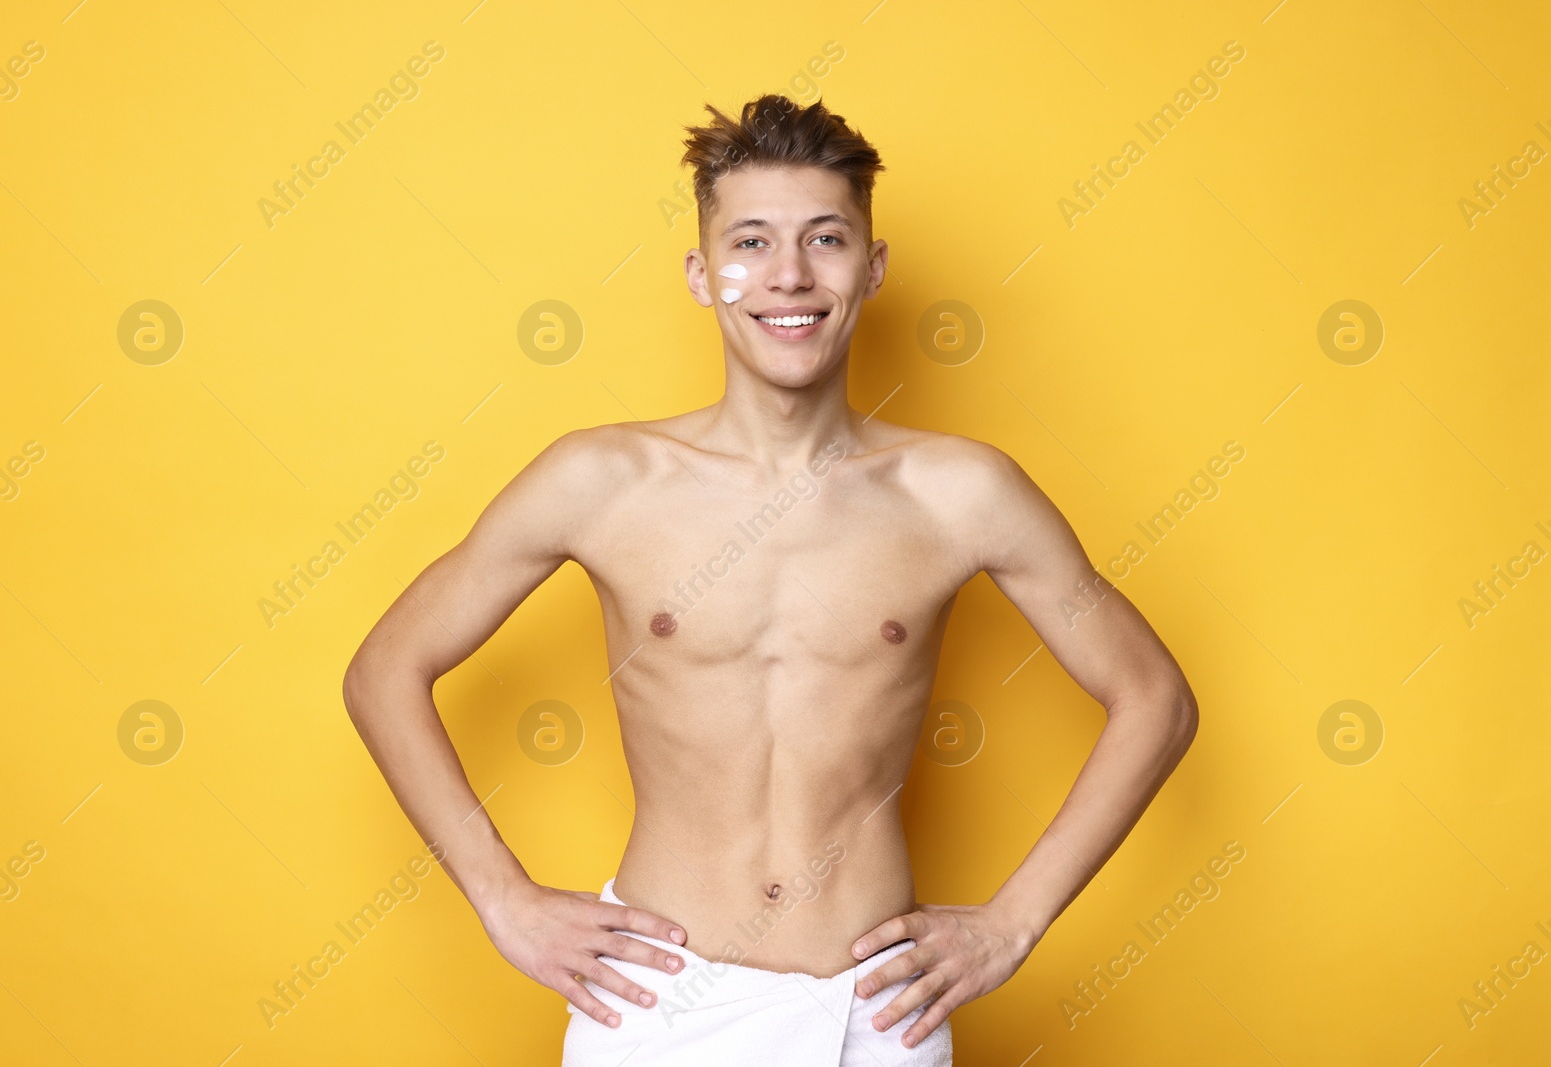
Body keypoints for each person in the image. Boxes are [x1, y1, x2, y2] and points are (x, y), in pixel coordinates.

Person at [342, 93, 1198, 1065]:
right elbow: (384, 668)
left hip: (876, 1011)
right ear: (702, 276)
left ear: (871, 269)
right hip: (658, 1004)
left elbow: (1153, 697)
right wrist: (504, 897)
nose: (788, 274)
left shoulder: (960, 493)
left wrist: (1012, 921)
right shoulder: (601, 480)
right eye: (749, 241)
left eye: (825, 239)